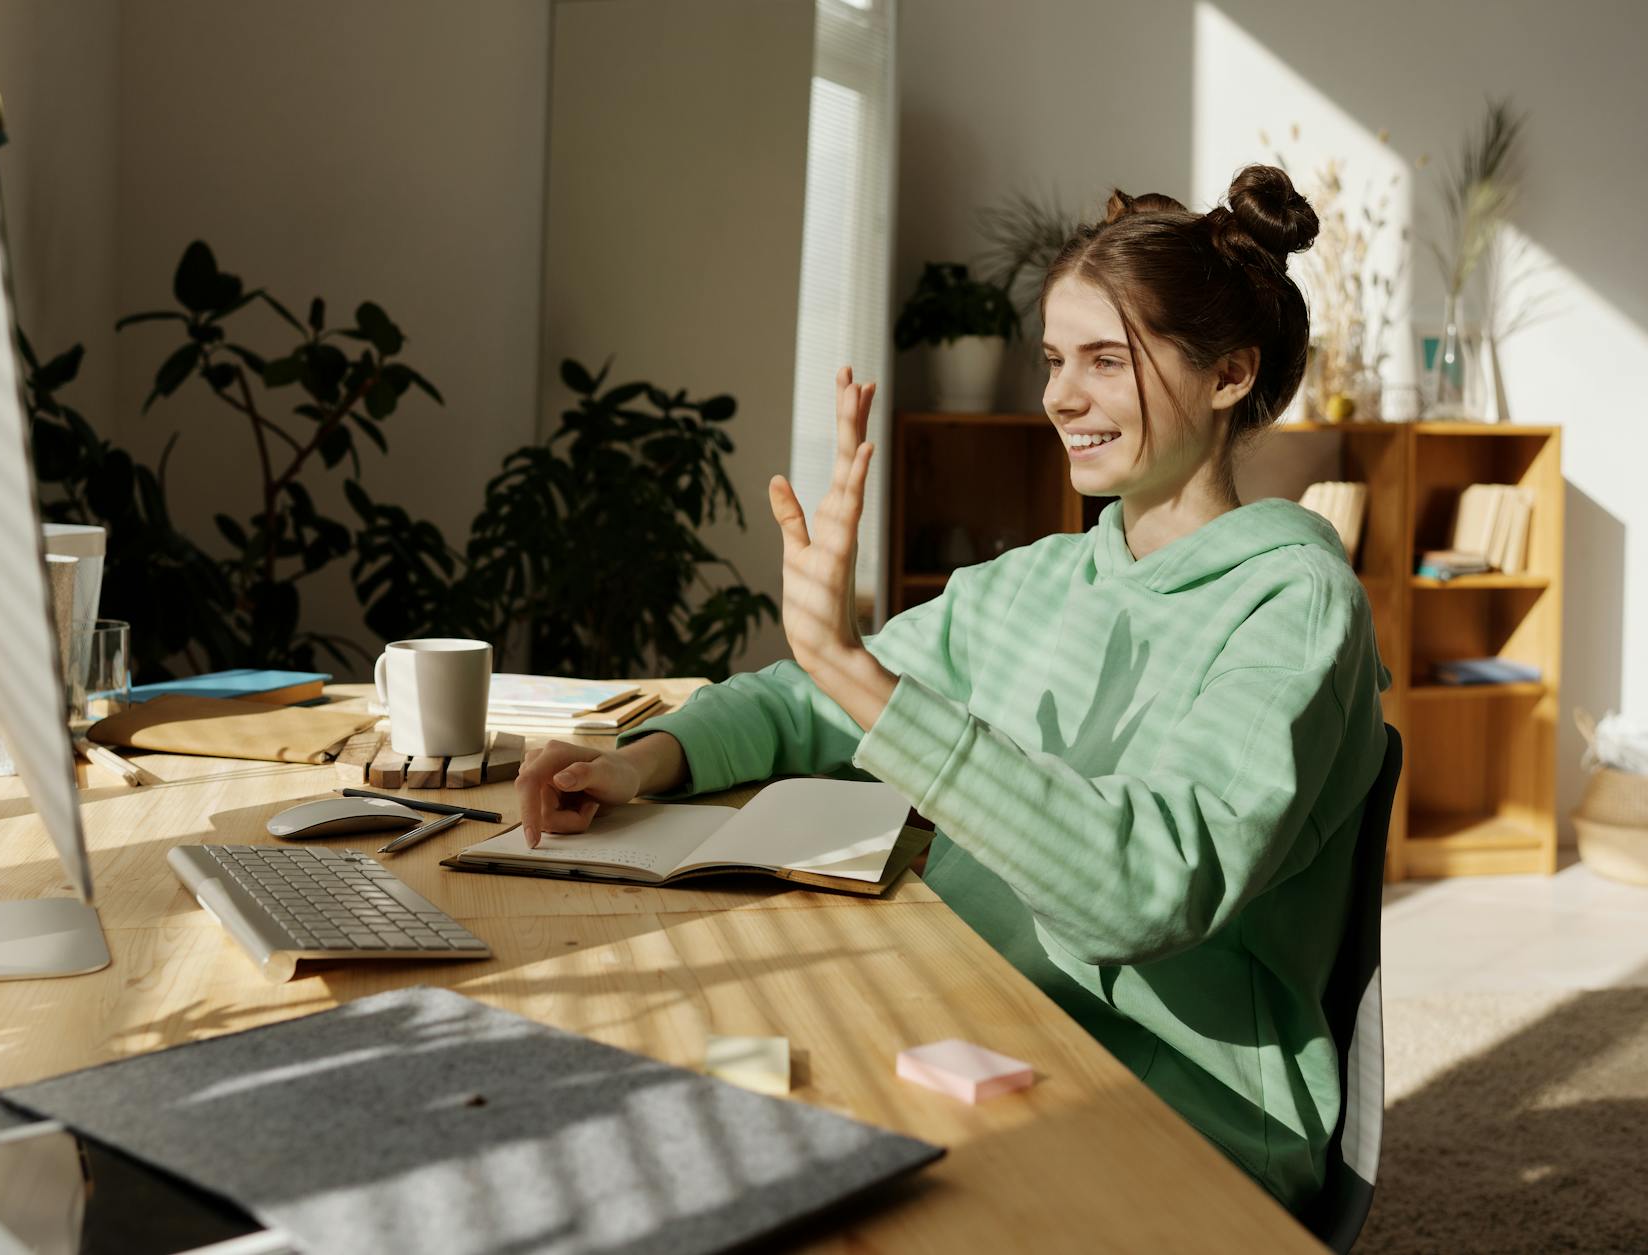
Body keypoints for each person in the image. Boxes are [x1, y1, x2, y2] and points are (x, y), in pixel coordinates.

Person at [513, 163, 1391, 1213]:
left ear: (1227, 375)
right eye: (1054, 359)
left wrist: (850, 670)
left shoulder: (1293, 607)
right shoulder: (1037, 581)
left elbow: (1147, 892)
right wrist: (637, 761)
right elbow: (810, 698)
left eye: (1105, 360)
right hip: (967, 1011)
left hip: (1177, 1102)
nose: (1058, 396)